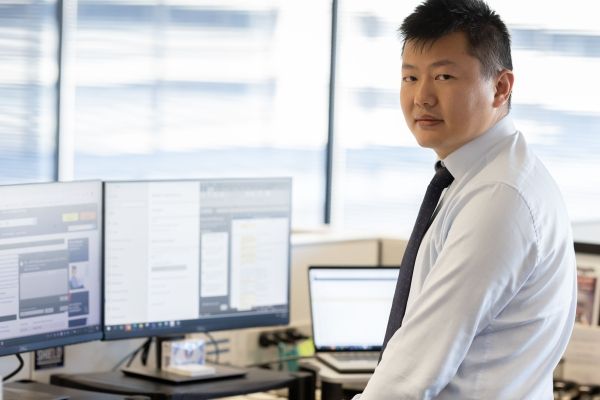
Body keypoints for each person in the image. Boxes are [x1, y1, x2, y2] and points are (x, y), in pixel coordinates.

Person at [356, 0, 577, 398]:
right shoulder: (478, 177)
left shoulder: (499, 196)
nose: (421, 97)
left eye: (443, 76)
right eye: (409, 78)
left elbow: (410, 376)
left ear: (501, 86)